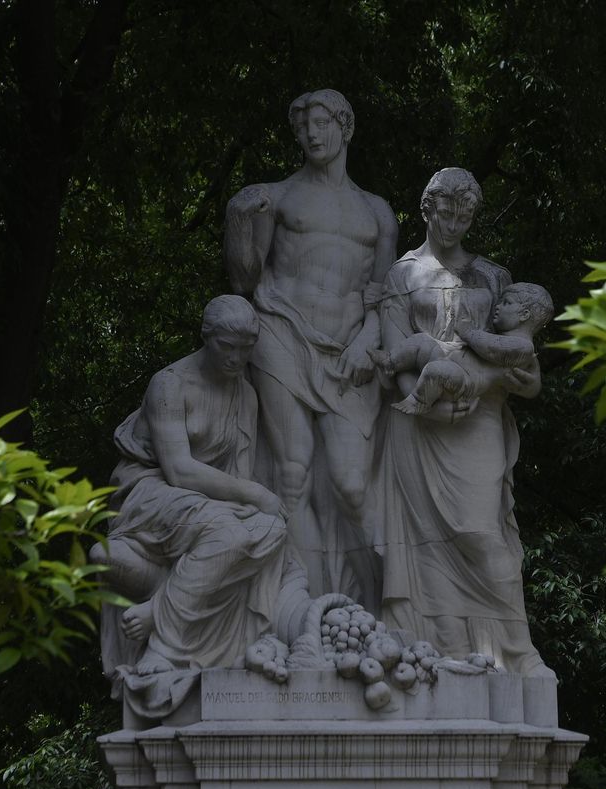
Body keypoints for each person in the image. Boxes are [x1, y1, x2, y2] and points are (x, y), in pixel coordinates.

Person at [223, 89, 398, 605]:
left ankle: (386, 609)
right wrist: (239, 222)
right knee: (293, 472)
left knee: (352, 484)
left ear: (345, 126)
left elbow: (384, 298)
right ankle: (314, 608)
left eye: (321, 123)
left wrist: (367, 338)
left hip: (348, 351)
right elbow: (244, 279)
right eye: (302, 128)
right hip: (281, 331)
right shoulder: (275, 197)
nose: (311, 135)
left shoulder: (378, 212)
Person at [376, 168, 553, 677]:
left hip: (480, 418)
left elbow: (520, 362)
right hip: (417, 419)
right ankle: (443, 648)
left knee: (483, 532)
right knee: (426, 543)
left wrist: (501, 384)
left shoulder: (494, 277)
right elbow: (394, 350)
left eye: (464, 217)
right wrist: (423, 400)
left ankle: (516, 649)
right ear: (427, 209)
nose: (453, 225)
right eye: (445, 214)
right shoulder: (401, 276)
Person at [92, 295, 290, 718]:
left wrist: (252, 505)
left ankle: (159, 605)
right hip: (148, 490)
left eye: (245, 349)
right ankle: (163, 645)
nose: (235, 358)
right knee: (229, 534)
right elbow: (179, 470)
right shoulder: (169, 385)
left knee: (272, 529)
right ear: (206, 337)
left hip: (208, 500)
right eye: (226, 346)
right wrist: (254, 496)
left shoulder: (245, 395)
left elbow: (238, 473)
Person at [372, 281, 554, 416]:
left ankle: (420, 402)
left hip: (465, 380)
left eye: (506, 303)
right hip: (449, 358)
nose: (497, 306)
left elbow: (490, 349)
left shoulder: (523, 346)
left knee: (437, 370)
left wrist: (468, 331)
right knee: (421, 341)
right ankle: (390, 361)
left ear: (524, 315)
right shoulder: (510, 340)